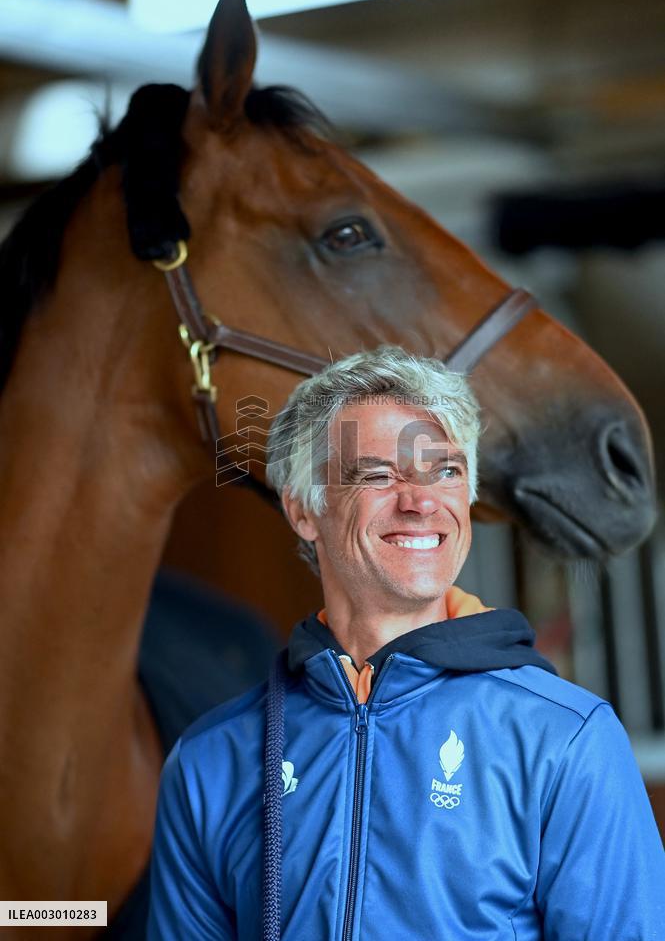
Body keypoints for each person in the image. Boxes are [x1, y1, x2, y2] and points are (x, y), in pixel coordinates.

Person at [147, 345, 664, 940]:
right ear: (303, 510)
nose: (421, 502)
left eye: (445, 471)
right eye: (378, 474)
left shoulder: (566, 738)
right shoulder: (212, 759)